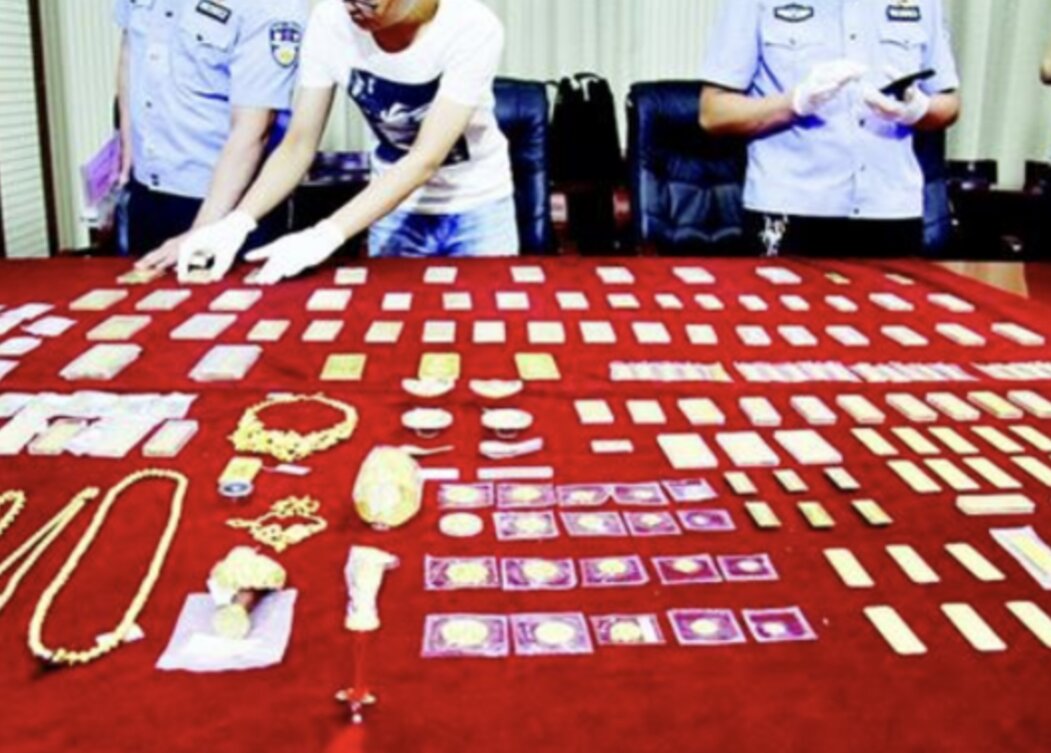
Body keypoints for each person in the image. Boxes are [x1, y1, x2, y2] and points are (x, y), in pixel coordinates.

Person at [176, 0, 517, 285]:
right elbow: (298, 144)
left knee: (489, 326)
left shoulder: (471, 26)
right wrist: (237, 222)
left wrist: (324, 236)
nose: (353, 7)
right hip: (390, 207)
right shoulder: (329, 22)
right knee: (391, 326)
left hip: (479, 205)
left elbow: (424, 159)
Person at [699, 0, 962, 256]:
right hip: (790, 207)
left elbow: (949, 104)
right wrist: (795, 103)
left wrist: (917, 109)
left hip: (891, 208)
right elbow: (713, 113)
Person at [117, 0, 309, 270]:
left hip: (226, 205)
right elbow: (131, 46)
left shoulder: (271, 6)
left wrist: (201, 232)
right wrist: (128, 141)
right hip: (146, 193)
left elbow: (253, 130)